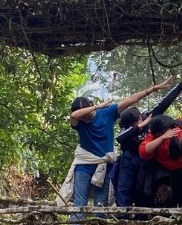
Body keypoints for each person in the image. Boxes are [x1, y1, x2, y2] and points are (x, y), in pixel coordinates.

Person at [60, 80, 172, 215]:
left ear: (90, 105)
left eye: (87, 115)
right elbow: (73, 115)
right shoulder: (79, 122)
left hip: (105, 163)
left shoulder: (108, 113)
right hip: (84, 163)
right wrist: (97, 106)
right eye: (83, 117)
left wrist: (153, 88)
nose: (85, 119)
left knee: (101, 203)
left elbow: (131, 99)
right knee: (80, 201)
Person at [113, 72, 182, 206]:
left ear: (139, 117)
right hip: (129, 159)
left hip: (146, 159)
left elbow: (165, 102)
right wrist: (139, 127)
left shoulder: (147, 116)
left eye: (135, 123)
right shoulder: (127, 126)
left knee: (146, 186)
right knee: (124, 187)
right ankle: (122, 216)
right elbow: (120, 138)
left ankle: (144, 214)